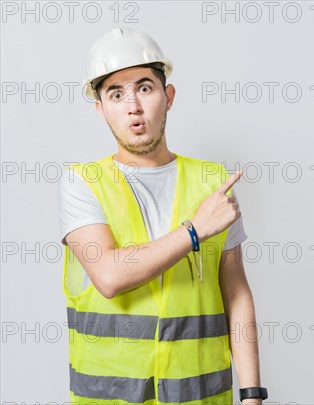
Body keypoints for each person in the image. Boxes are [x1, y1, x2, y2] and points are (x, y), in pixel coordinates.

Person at [57, 27, 268, 405]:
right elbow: (108, 275)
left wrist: (252, 394)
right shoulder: (83, 183)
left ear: (168, 97)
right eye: (115, 94)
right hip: (110, 399)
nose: (133, 106)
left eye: (145, 88)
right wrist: (194, 231)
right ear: (100, 108)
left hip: (201, 397)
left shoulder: (213, 183)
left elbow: (236, 293)